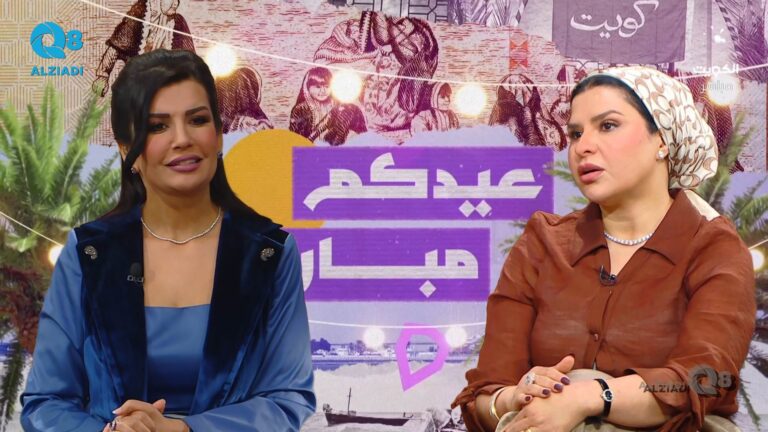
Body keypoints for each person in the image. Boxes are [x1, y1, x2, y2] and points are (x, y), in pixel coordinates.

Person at [21, 49, 316, 431]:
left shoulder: (269, 254)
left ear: (219, 135)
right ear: (127, 151)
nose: (182, 139)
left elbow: (288, 399)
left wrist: (184, 429)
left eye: (197, 120)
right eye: (158, 126)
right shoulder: (88, 254)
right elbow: (45, 404)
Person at [453, 66, 755, 432]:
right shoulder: (541, 243)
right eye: (575, 133)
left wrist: (592, 396)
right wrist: (513, 398)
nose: (583, 147)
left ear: (662, 140)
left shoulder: (713, 249)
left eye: (608, 126)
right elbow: (483, 396)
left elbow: (704, 379)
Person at [289, 67, 366, 146]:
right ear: (307, 88)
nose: (323, 91)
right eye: (318, 87)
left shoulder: (347, 109)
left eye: (327, 86)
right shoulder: (300, 109)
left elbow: (363, 135)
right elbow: (295, 138)